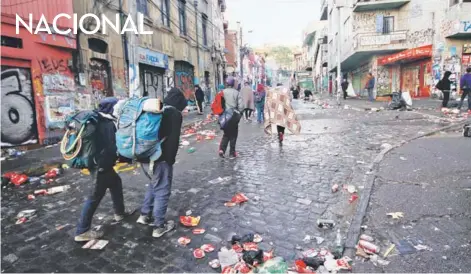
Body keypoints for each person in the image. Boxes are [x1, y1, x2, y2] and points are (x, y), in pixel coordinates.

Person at [136, 88, 187, 238]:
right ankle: (159, 226)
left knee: (153, 184)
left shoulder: (157, 110)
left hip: (144, 154)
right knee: (162, 190)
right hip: (160, 158)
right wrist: (169, 160)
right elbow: (173, 140)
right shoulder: (174, 114)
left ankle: (144, 215)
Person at [75, 97, 126, 242]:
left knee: (116, 183)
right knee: (94, 196)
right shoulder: (107, 123)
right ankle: (82, 231)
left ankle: (120, 212)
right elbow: (111, 146)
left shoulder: (98, 119)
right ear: (111, 108)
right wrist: (121, 156)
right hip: (101, 165)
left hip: (100, 164)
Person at [219, 76, 243, 159]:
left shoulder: (222, 92)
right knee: (233, 134)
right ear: (233, 84)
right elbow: (241, 106)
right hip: (233, 115)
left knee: (226, 134)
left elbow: (219, 104)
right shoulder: (236, 93)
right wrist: (240, 114)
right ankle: (232, 153)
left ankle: (222, 149)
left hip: (224, 116)